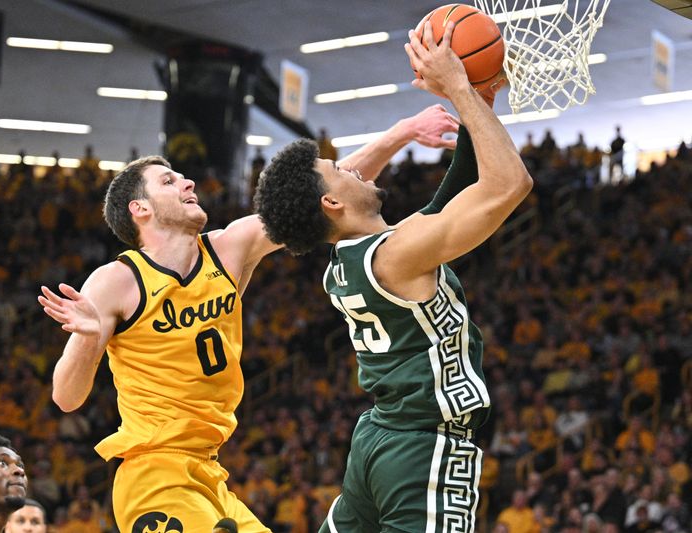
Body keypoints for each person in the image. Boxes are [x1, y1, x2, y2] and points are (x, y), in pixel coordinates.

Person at [37, 93, 459, 530]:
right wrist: (88, 340)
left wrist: (402, 133)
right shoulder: (117, 281)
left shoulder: (229, 248)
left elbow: (321, 193)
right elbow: (67, 399)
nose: (187, 183)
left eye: (183, 177)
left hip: (211, 474)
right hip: (153, 476)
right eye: (168, 181)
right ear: (139, 210)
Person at [254, 19, 532, 532]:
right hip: (420, 446)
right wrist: (459, 89)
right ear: (332, 202)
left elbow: (451, 198)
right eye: (339, 170)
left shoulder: (357, 259)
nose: (357, 169)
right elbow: (510, 183)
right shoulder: (394, 256)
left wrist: (478, 98)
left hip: (378, 441)